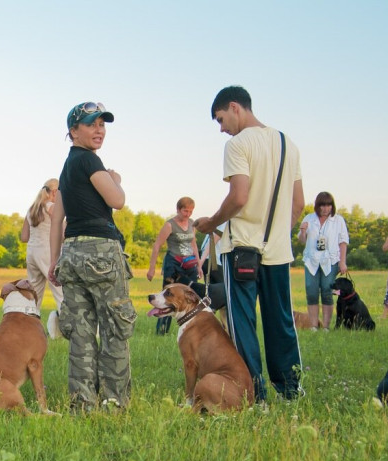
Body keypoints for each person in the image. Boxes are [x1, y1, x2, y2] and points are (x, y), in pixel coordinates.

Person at [194, 86, 305, 403]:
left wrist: (212, 223)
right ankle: (290, 390)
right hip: (278, 252)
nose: (221, 128)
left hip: (241, 249)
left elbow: (239, 197)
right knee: (281, 321)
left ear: (234, 107)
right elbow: (298, 203)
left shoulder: (237, 144)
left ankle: (255, 395)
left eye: (220, 119)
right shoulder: (288, 144)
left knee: (243, 324)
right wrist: (278, 235)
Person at [48, 101, 137, 413]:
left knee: (81, 334)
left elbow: (56, 218)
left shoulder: (67, 166)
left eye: (102, 124)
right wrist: (115, 178)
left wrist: (54, 260)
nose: (99, 130)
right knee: (115, 328)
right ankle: (113, 403)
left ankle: (83, 405)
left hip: (71, 253)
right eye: (91, 124)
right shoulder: (89, 161)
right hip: (100, 251)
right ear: (74, 131)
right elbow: (118, 200)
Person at [146, 197, 203, 335]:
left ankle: (191, 328)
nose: (188, 214)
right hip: (173, 263)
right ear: (178, 209)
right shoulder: (170, 225)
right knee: (168, 296)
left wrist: (199, 264)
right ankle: (162, 331)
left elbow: (193, 244)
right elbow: (157, 245)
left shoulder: (191, 224)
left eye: (190, 211)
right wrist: (152, 268)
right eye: (185, 211)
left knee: (192, 295)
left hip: (189, 263)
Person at [298, 191, 349, 330]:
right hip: (311, 261)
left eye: (328, 205)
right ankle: (314, 325)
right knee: (311, 291)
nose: (326, 208)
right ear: (317, 206)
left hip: (330, 261)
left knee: (328, 291)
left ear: (332, 206)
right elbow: (302, 241)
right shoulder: (309, 218)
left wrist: (342, 262)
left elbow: (343, 242)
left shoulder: (338, 220)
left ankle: (326, 327)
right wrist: (303, 232)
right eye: (323, 205)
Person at [20, 179, 64, 314]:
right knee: (61, 292)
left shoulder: (31, 209)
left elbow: (24, 238)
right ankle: (71, 328)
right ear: (55, 192)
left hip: (32, 253)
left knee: (34, 295)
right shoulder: (52, 207)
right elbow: (63, 234)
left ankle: (29, 326)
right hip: (48, 252)